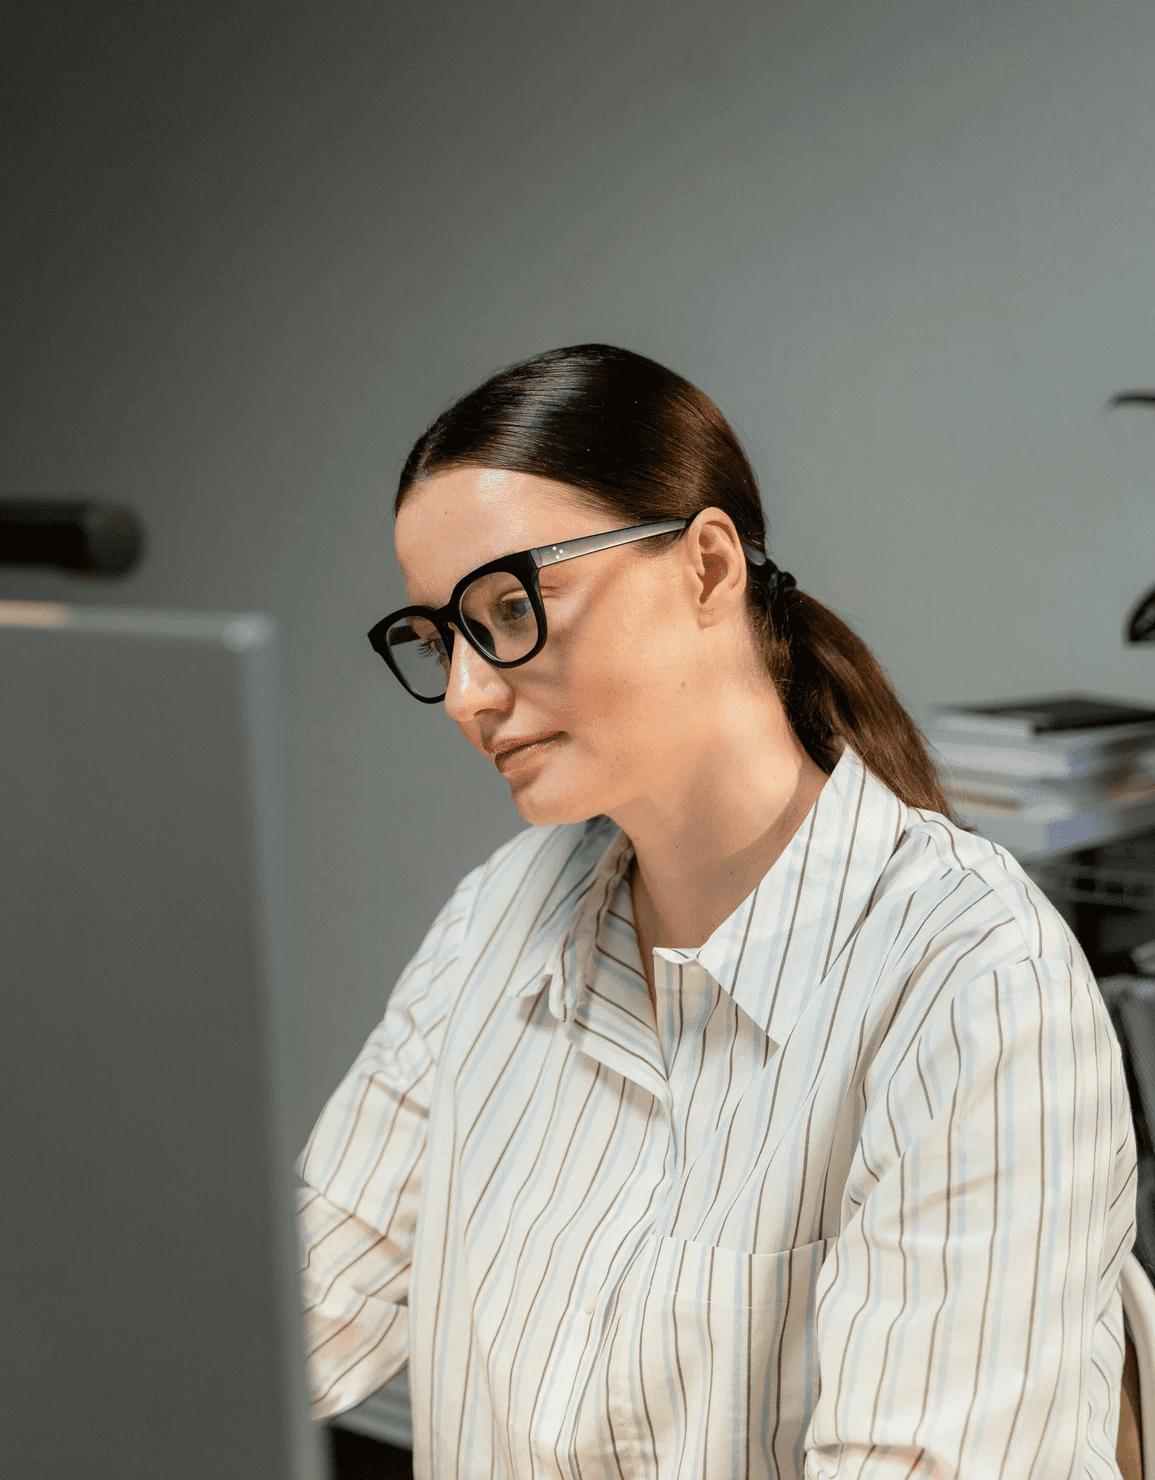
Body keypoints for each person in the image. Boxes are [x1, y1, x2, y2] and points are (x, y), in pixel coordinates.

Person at [296, 343, 1137, 1479]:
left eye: (511, 606)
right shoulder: (495, 919)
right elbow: (297, 1308)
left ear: (706, 565)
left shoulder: (974, 981)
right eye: (440, 637)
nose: (466, 694)